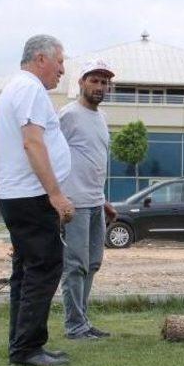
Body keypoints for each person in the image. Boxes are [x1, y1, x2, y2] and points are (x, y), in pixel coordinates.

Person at [0, 34, 75, 366]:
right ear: (41, 59)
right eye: (60, 61)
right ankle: (27, 348)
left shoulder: (16, 88)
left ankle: (20, 341)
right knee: (44, 267)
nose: (62, 69)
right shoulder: (29, 90)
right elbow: (33, 143)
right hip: (31, 196)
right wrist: (55, 194)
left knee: (26, 272)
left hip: (18, 195)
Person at [60, 59, 118, 340]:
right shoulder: (68, 115)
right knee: (75, 265)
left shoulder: (101, 118)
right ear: (81, 82)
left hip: (95, 202)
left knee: (93, 262)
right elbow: (50, 156)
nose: (100, 86)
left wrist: (103, 199)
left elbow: (93, 161)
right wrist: (57, 197)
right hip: (74, 204)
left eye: (104, 82)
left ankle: (82, 321)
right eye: (94, 80)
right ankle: (74, 325)